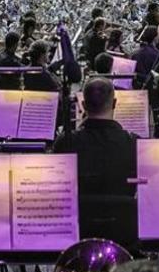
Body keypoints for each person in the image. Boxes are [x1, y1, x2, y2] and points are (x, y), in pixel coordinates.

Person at [54, 79, 139, 248]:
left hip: (78, 232)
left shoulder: (65, 142)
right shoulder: (133, 143)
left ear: (84, 105)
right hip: (123, 232)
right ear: (114, 103)